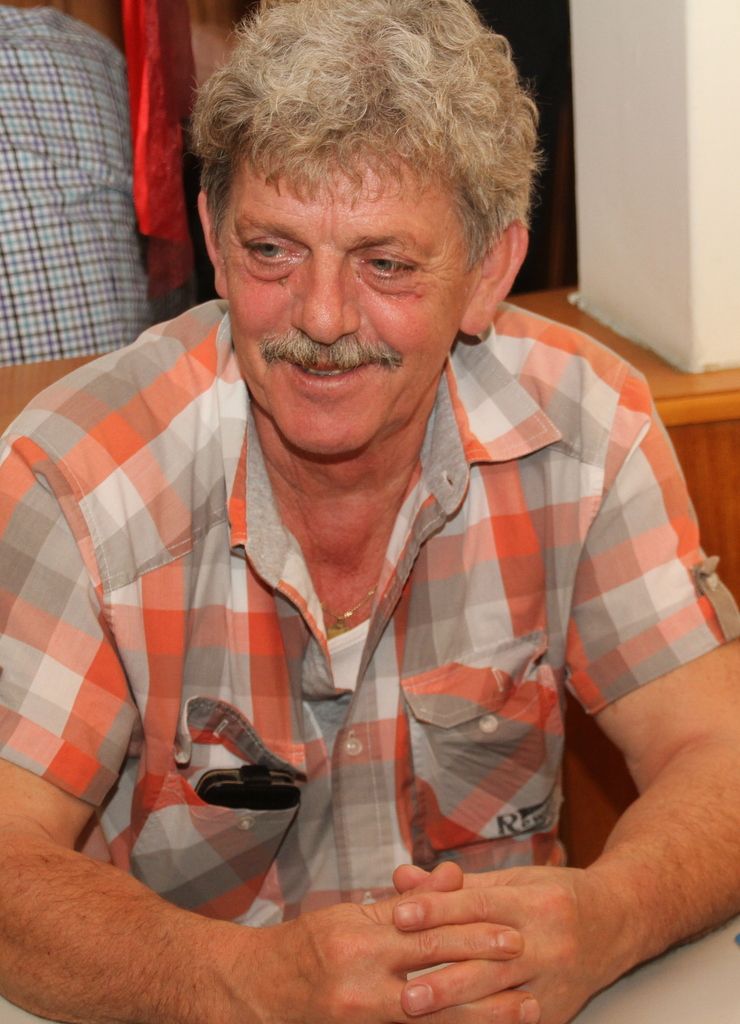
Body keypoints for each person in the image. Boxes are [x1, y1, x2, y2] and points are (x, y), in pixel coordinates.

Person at [0, 1, 738, 1022]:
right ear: (212, 238)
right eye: (272, 250)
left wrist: (608, 915)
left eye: (385, 264)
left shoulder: (586, 427)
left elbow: (718, 752)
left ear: (487, 272)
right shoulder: (78, 471)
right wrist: (252, 984)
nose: (320, 318)